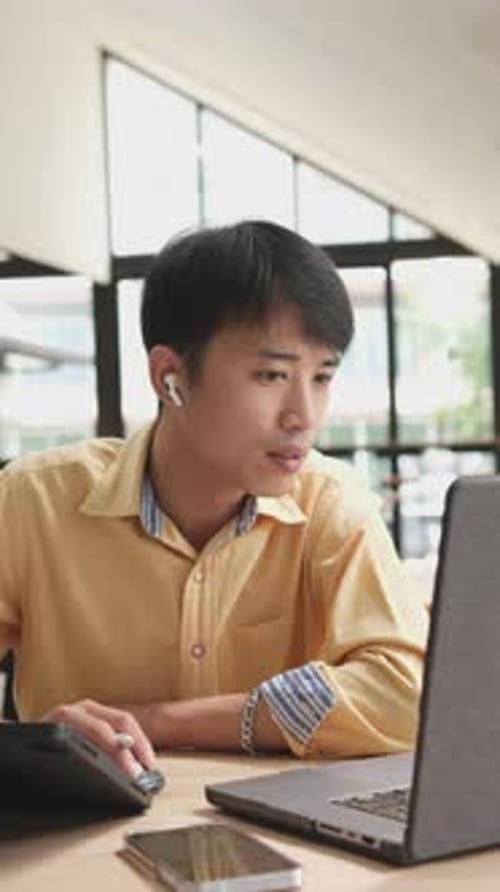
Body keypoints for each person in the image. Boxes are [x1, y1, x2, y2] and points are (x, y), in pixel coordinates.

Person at [0, 220, 428, 777]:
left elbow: (407, 696)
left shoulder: (332, 505)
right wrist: (40, 743)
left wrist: (160, 721)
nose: (304, 416)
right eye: (271, 375)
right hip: (77, 840)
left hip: (290, 841)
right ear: (170, 377)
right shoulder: (33, 502)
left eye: (321, 377)